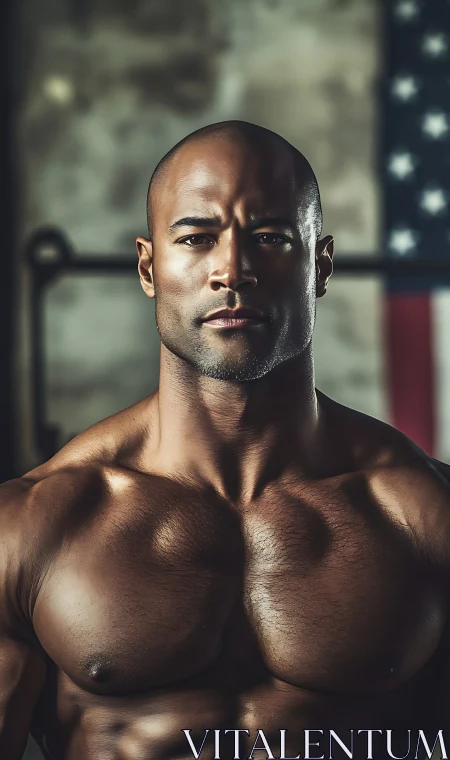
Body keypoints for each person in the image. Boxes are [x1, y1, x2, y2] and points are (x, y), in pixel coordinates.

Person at [1, 121, 450, 760]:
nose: (231, 270)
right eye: (196, 238)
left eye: (269, 237)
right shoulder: (32, 525)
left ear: (320, 264)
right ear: (148, 266)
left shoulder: (422, 516)